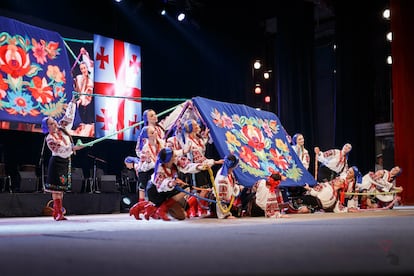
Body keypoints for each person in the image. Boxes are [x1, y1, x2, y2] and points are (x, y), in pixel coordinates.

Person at [129, 147, 214, 221]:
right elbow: (161, 184)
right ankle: (160, 208)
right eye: (173, 156)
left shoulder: (175, 163)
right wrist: (171, 183)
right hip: (156, 191)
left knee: (182, 215)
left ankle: (153, 207)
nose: (176, 157)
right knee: (184, 189)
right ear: (168, 159)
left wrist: (200, 166)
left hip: (168, 191)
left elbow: (187, 166)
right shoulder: (159, 168)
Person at [41, 116, 84, 221]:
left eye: (54, 122)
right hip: (56, 162)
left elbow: (69, 117)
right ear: (47, 127)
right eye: (51, 124)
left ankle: (58, 212)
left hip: (65, 162)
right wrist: (74, 148)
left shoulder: (62, 132)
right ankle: (58, 212)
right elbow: (60, 149)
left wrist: (73, 102)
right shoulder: (50, 138)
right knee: (56, 189)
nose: (55, 124)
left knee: (61, 189)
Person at [212, 153, 242, 219]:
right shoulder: (222, 177)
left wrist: (238, 188)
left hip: (227, 202)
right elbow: (221, 198)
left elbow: (232, 186)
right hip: (219, 205)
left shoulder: (229, 173)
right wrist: (226, 215)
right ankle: (224, 214)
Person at [72, 56, 94, 137]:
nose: (83, 70)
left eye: (84, 68)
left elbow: (88, 96)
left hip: (87, 105)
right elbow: (75, 87)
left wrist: (80, 101)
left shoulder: (90, 81)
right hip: (79, 103)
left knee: (87, 125)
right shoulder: (79, 78)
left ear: (87, 68)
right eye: (82, 69)